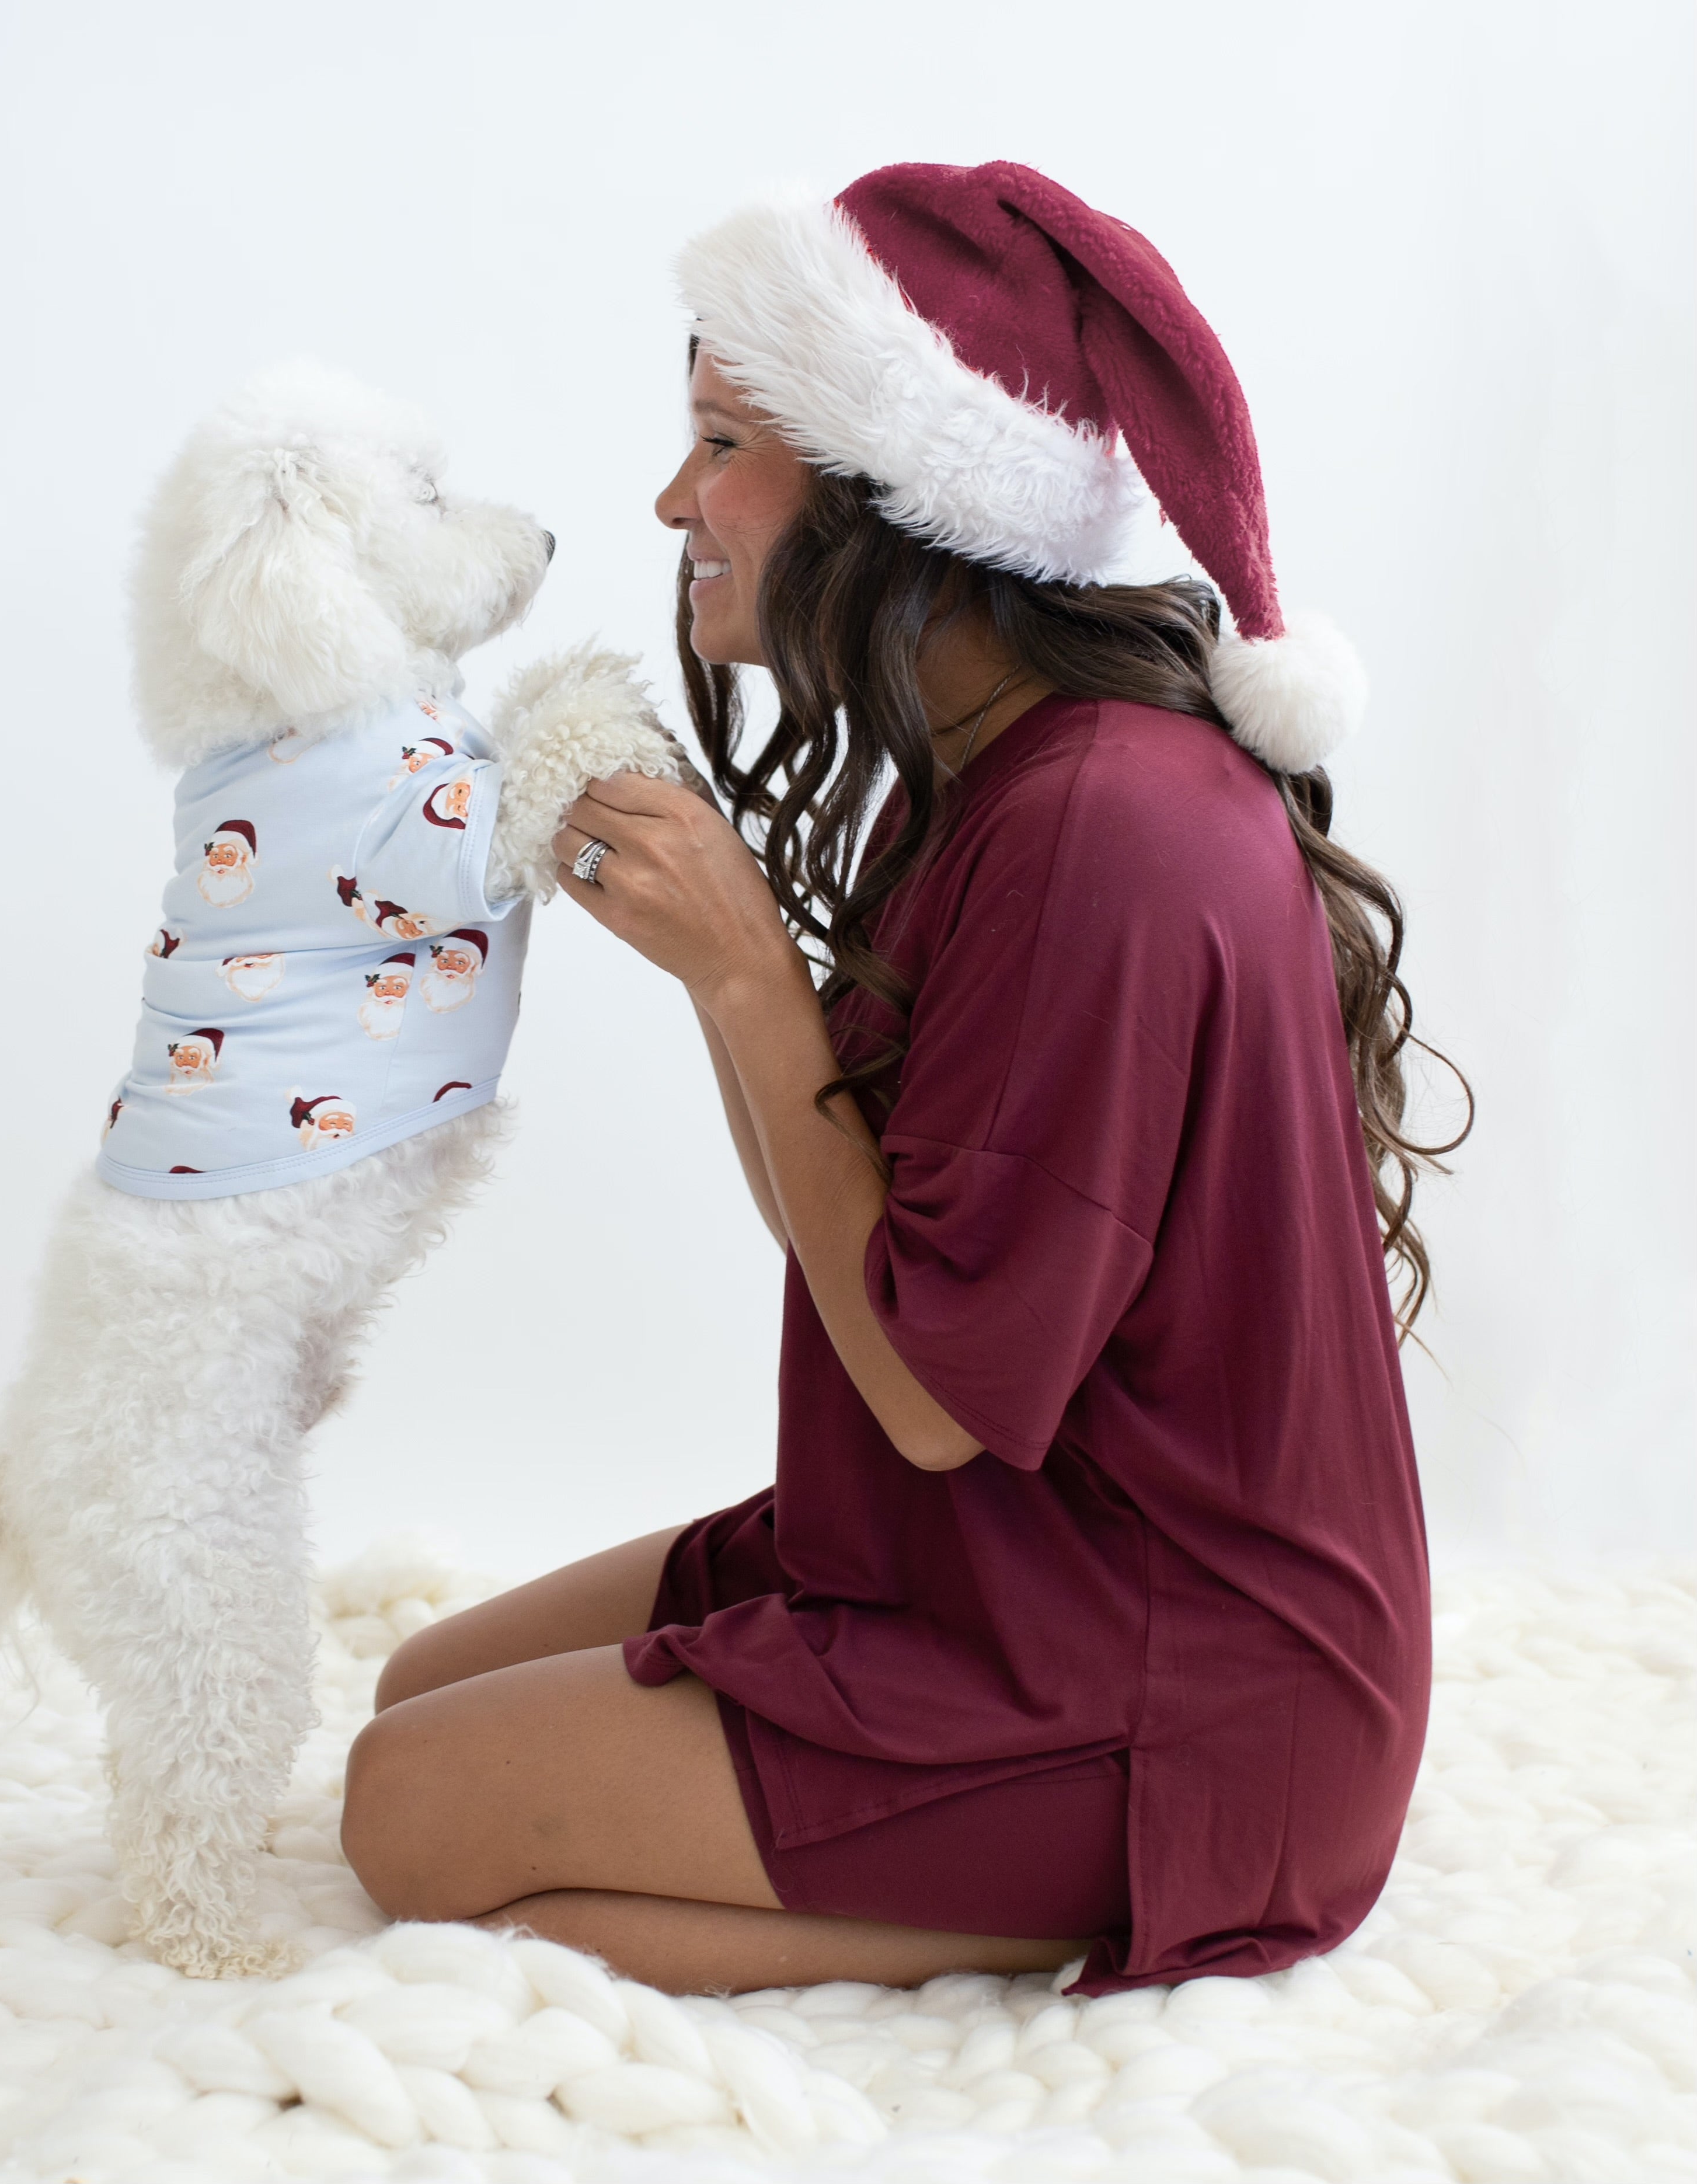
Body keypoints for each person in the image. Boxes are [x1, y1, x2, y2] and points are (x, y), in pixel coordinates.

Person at [339, 161, 1464, 1998]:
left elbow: (940, 1393)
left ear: (894, 495)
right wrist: (734, 987)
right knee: (419, 1696)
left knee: (414, 1813)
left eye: (719, 443)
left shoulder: (1101, 825)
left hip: (1177, 1680)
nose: (670, 502)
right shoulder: (1006, 776)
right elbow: (858, 1234)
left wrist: (751, 975)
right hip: (987, 1555)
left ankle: (1047, 1912)